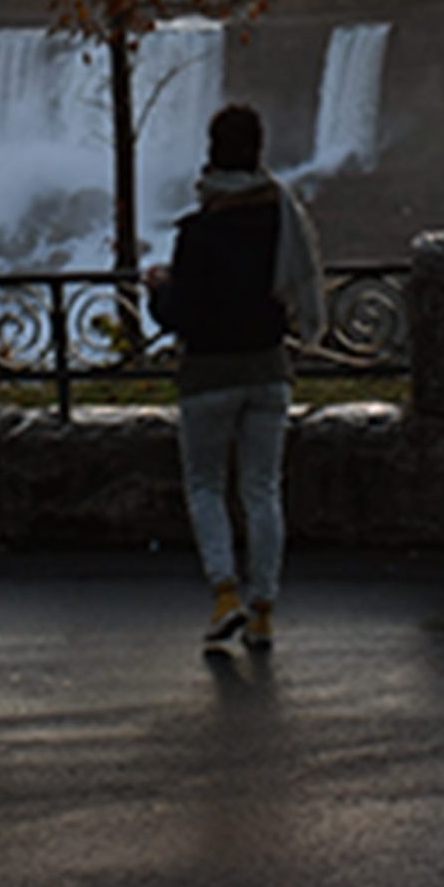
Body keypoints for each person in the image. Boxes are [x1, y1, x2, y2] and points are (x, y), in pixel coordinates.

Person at [143, 102, 325, 652]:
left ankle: (225, 595)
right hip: (270, 369)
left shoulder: (199, 230)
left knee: (205, 487)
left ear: (211, 152)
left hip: (208, 376)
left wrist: (159, 290)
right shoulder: (283, 217)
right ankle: (264, 608)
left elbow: (182, 313)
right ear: (259, 149)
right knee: (263, 490)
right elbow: (289, 286)